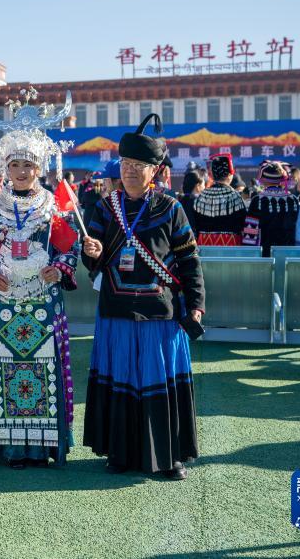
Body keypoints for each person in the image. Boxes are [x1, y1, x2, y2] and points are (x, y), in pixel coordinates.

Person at [80, 114, 204, 480]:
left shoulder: (171, 208)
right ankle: (119, 453)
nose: (131, 171)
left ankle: (169, 456)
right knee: (121, 378)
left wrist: (196, 304)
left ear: (155, 170)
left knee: (158, 380)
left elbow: (189, 259)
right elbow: (94, 258)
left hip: (160, 312)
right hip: (116, 309)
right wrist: (91, 251)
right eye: (126, 164)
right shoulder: (105, 207)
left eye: (139, 165)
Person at [0, 113, 79, 470]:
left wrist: (59, 269)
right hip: (4, 305)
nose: (20, 171)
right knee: (6, 370)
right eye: (14, 165)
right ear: (4, 168)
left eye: (27, 165)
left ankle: (41, 448)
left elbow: (69, 248)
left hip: (43, 302)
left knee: (43, 371)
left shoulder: (52, 207)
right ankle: (12, 449)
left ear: (39, 168)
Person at [244, 161, 300, 255]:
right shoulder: (293, 199)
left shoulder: (257, 200)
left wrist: (249, 253)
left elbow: (250, 232)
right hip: (289, 253)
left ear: (264, 180)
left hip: (265, 254)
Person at [193, 153, 246, 246]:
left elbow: (196, 225)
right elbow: (242, 225)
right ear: (230, 174)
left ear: (213, 174)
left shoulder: (201, 197)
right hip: (231, 247)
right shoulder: (235, 196)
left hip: (205, 246)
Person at [178, 170, 205, 238]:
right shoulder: (199, 201)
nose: (204, 187)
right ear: (197, 186)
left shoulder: (179, 200)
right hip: (194, 237)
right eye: (203, 185)